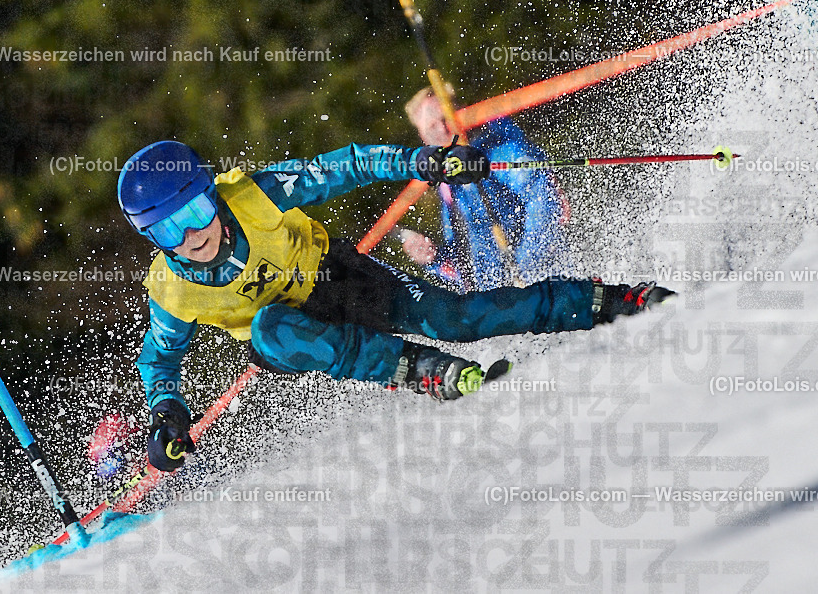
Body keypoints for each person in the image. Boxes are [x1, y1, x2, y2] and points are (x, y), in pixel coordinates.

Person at [87, 139, 673, 479]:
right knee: (270, 326)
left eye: (194, 213)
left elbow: (344, 167)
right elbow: (160, 360)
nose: (191, 236)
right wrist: (167, 413)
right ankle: (419, 371)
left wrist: (423, 162)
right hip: (295, 335)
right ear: (151, 237)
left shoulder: (253, 196)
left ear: (211, 195)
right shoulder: (171, 289)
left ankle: (604, 301)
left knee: (454, 319)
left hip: (342, 278)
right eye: (167, 231)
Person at [397, 87, 571, 291]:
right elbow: (466, 269)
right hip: (506, 298)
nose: (443, 130)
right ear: (423, 138)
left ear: (462, 112)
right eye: (432, 127)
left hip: (548, 280)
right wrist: (435, 260)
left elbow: (547, 203)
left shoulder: (501, 149)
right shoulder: (448, 188)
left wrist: (524, 272)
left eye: (446, 119)